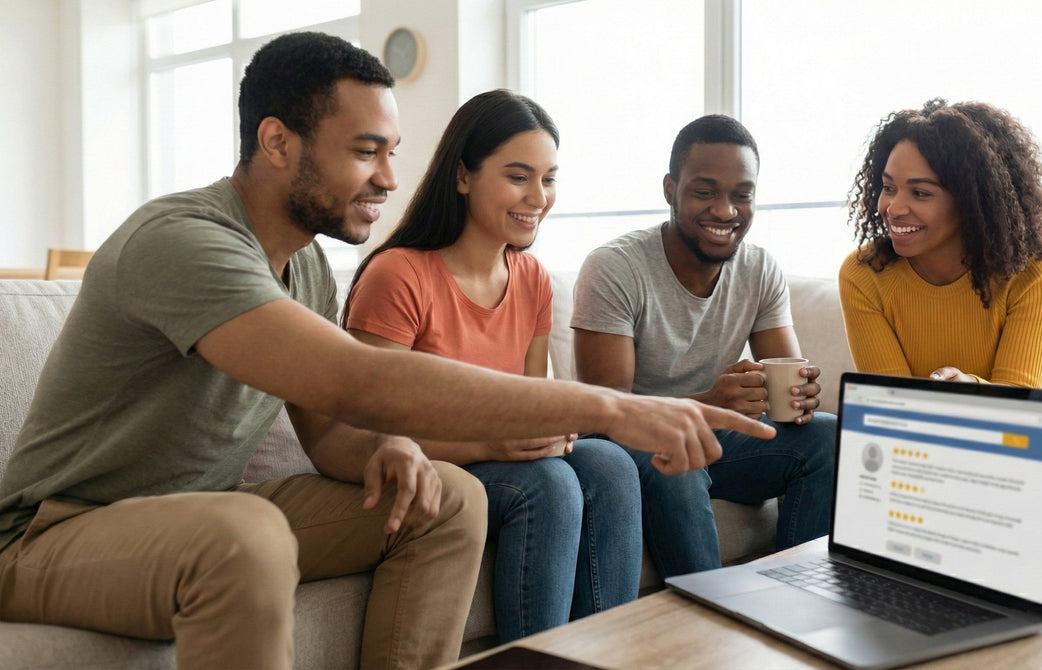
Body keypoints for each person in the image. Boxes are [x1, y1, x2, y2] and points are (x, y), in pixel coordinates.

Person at [0, 33, 773, 670]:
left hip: (205, 507)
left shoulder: (301, 263)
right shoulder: (183, 242)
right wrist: (612, 408)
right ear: (277, 141)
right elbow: (357, 378)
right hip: (58, 530)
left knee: (448, 500)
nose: (389, 178)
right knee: (246, 535)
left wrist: (388, 448)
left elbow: (331, 427)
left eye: (393, 151)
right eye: (367, 151)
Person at [342, 89, 641, 642]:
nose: (538, 197)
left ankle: (607, 653)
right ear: (462, 176)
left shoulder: (532, 278)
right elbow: (363, 433)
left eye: (549, 178)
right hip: (430, 464)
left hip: (501, 459)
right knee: (549, 484)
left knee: (611, 463)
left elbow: (529, 405)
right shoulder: (398, 275)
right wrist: (490, 446)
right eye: (518, 176)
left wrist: (556, 426)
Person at [572, 114, 838, 579]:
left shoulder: (759, 269)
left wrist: (798, 399)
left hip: (717, 440)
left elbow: (786, 376)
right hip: (633, 447)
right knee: (680, 456)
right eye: (705, 191)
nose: (726, 210)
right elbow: (605, 415)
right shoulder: (615, 268)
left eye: (742, 195)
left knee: (827, 438)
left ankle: (799, 594)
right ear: (670, 189)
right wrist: (708, 405)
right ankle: (712, 615)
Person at [839, 97, 1042, 492]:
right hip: (917, 443)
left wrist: (969, 392)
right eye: (888, 188)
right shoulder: (864, 274)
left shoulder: (1034, 267)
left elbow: (1019, 407)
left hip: (1021, 438)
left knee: (1019, 469)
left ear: (972, 200)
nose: (893, 208)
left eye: (920, 193)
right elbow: (892, 409)